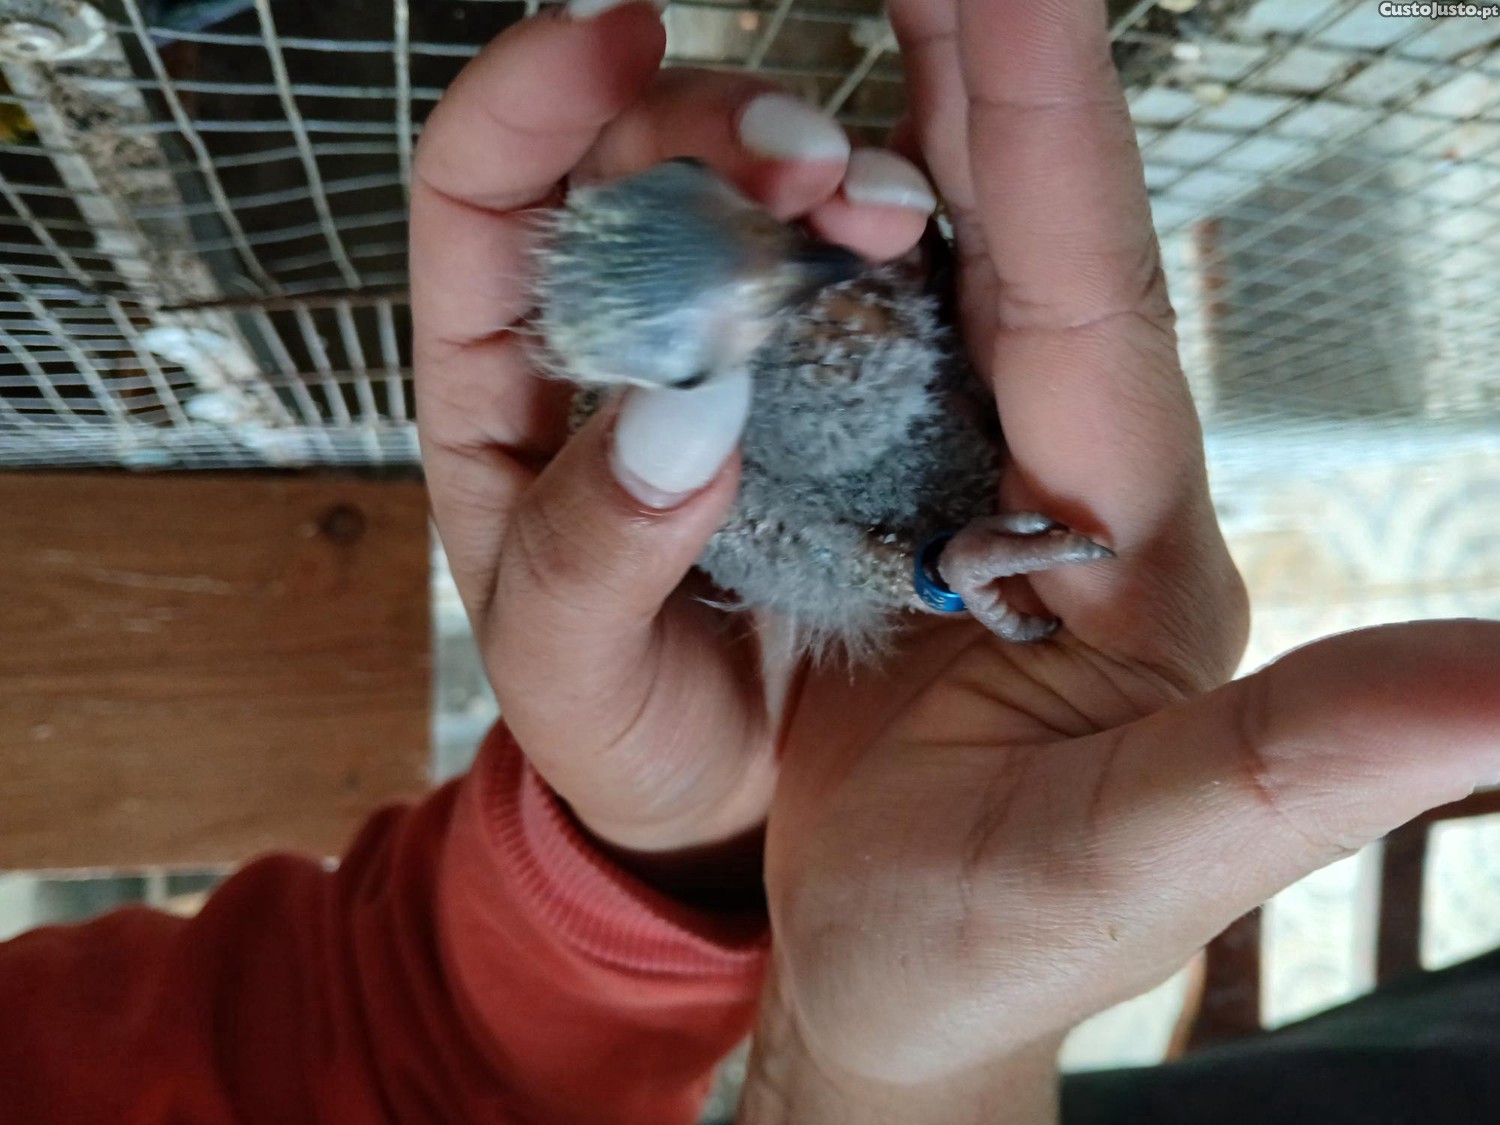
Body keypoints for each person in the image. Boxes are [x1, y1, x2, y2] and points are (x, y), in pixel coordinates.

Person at [2, 1, 1497, 1122]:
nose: (798, 275)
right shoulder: (735, 489)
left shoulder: (770, 323)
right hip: (879, 540)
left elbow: (380, 1034)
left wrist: (655, 852)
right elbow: (825, 553)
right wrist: (937, 572)